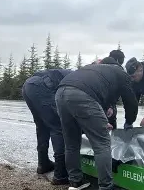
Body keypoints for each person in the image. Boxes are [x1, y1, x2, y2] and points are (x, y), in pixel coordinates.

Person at [55, 57, 139, 190]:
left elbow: (97, 91)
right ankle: (106, 186)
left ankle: (75, 180)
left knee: (71, 143)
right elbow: (131, 103)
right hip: (82, 94)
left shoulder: (96, 70)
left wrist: (102, 118)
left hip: (61, 92)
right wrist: (129, 121)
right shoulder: (121, 74)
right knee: (102, 143)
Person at [22, 68, 73, 184]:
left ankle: (43, 164)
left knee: (42, 126)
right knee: (57, 126)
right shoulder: (79, 78)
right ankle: (60, 174)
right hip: (40, 86)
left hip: (28, 85)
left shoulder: (71, 73)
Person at [104, 49, 126, 130]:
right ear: (117, 60)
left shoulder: (98, 65)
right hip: (106, 104)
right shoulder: (117, 70)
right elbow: (115, 90)